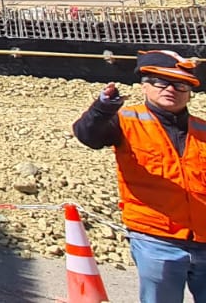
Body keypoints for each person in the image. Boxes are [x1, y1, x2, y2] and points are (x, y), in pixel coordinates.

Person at [74, 49, 206, 303]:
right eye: (161, 82)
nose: (171, 89)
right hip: (157, 240)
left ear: (189, 92)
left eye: (180, 85)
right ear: (144, 86)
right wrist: (102, 108)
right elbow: (87, 135)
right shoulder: (125, 120)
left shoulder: (202, 129)